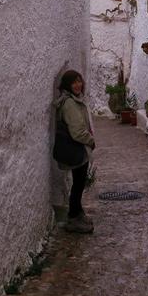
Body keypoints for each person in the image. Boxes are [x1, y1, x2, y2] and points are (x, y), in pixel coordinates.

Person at [55, 69, 95, 233]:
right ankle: (73, 218)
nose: (78, 85)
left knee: (79, 182)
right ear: (67, 85)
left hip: (77, 148)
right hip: (77, 148)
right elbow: (77, 131)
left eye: (79, 81)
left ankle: (78, 213)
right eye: (74, 82)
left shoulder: (73, 99)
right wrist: (91, 141)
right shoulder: (70, 103)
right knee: (78, 184)